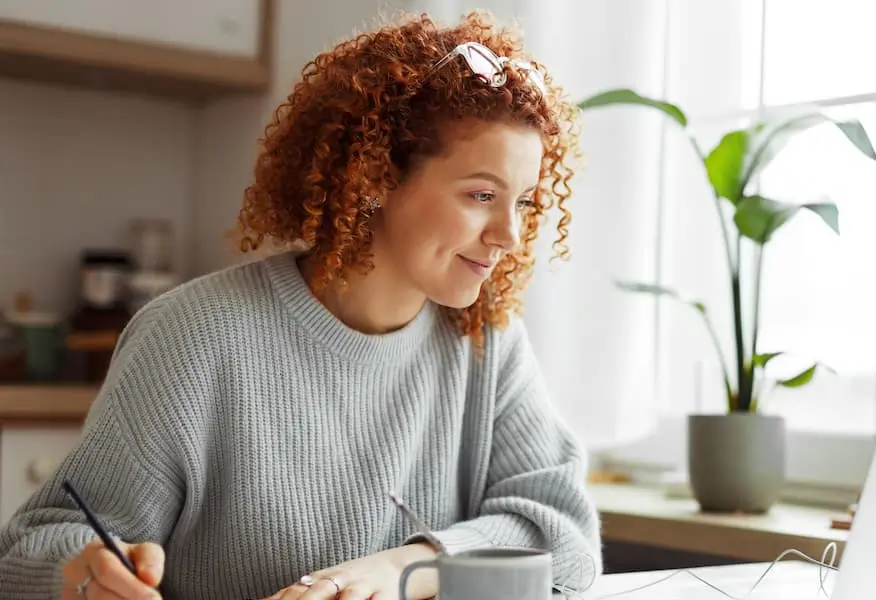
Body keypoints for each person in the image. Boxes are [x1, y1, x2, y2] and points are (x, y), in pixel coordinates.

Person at [0, 9, 602, 600]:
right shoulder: (192, 337)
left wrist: (407, 568)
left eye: (523, 202)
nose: (511, 236)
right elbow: (36, 548)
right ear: (373, 180)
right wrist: (84, 574)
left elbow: (565, 538)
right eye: (480, 194)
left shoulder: (485, 339)